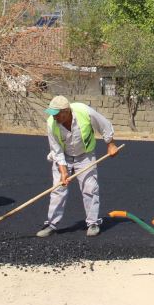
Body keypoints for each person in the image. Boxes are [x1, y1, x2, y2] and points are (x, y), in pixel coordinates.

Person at [36, 96, 120, 238]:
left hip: (85, 155)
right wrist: (63, 172)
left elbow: (103, 124)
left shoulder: (84, 111)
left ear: (66, 111)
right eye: (52, 114)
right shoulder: (51, 123)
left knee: (90, 188)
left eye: (56, 114)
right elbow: (56, 150)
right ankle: (51, 224)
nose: (54, 117)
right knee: (58, 189)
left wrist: (110, 144)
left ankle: (93, 223)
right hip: (64, 155)